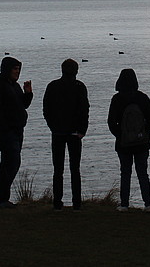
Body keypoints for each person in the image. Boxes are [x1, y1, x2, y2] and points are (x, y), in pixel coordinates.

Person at [42, 58, 89, 210]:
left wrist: (52, 126)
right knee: (75, 169)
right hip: (74, 133)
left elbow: (46, 109)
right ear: (76, 71)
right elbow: (84, 109)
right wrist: (82, 130)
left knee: (58, 169)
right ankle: (76, 203)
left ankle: (57, 202)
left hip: (58, 132)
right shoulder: (79, 86)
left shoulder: (52, 86)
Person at [107, 68, 150, 212]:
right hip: (142, 143)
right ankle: (148, 204)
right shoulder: (143, 98)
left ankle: (124, 204)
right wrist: (143, 133)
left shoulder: (117, 99)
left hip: (123, 144)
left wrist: (120, 135)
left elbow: (111, 122)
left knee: (125, 173)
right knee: (143, 173)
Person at [0, 56, 33, 208]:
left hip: (17, 130)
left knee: (11, 163)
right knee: (11, 162)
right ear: (7, 69)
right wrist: (4, 127)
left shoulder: (15, 86)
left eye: (19, 69)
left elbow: (22, 105)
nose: (17, 72)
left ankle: (2, 198)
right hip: (5, 132)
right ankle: (0, 199)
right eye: (15, 69)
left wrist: (28, 94)